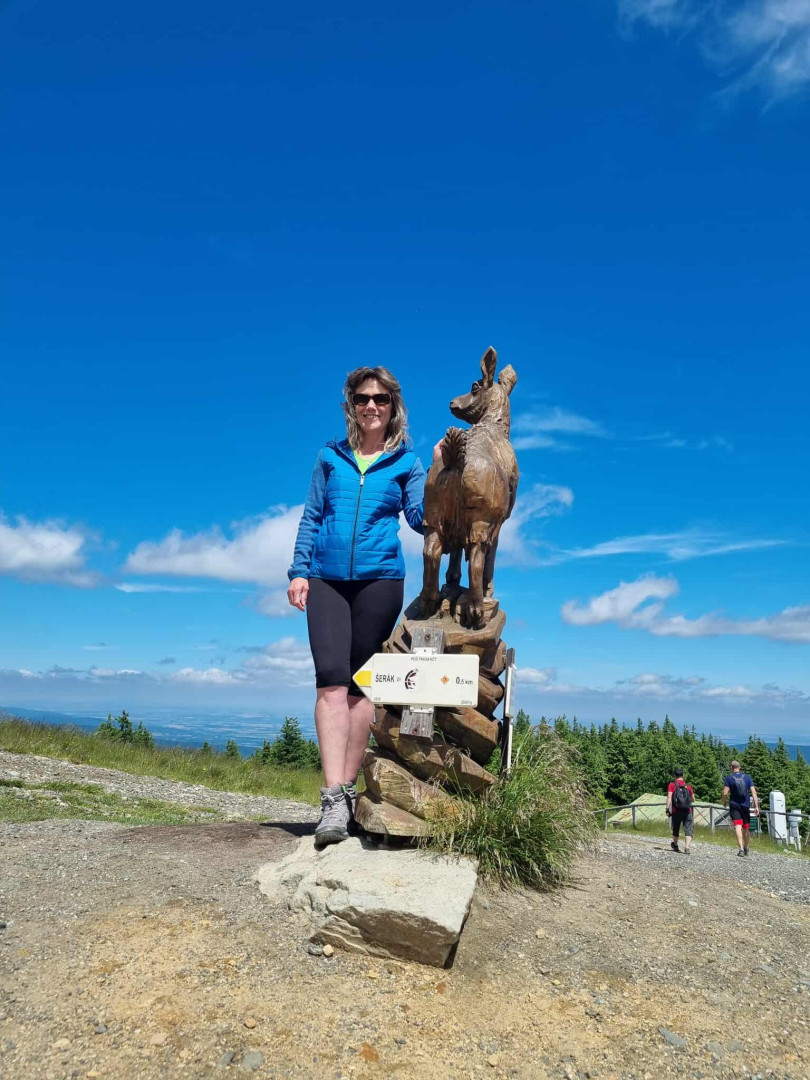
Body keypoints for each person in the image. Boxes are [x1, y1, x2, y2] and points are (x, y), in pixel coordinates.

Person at [287, 366, 439, 847]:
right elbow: (312, 516)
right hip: (325, 579)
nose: (371, 405)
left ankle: (348, 793)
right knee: (330, 682)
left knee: (360, 688)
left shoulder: (406, 462)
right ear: (351, 406)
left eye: (381, 398)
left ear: (394, 407)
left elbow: (421, 519)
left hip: (380, 581)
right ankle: (332, 798)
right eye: (362, 398)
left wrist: (440, 473)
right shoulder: (329, 457)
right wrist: (298, 570)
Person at [722, 760, 759, 857]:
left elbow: (725, 793)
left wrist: (724, 801)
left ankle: (741, 849)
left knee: (738, 826)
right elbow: (754, 792)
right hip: (745, 805)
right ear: (739, 767)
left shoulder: (729, 778)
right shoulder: (747, 777)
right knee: (746, 827)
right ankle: (746, 847)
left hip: (734, 804)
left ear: (731, 768)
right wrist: (756, 806)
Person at [666, 767, 695, 854]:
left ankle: (675, 845)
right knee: (688, 829)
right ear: (683, 775)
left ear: (675, 776)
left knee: (676, 828)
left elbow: (669, 797)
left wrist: (667, 809)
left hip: (676, 810)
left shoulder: (672, 785)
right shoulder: (688, 786)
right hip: (687, 810)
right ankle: (687, 847)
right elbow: (693, 799)